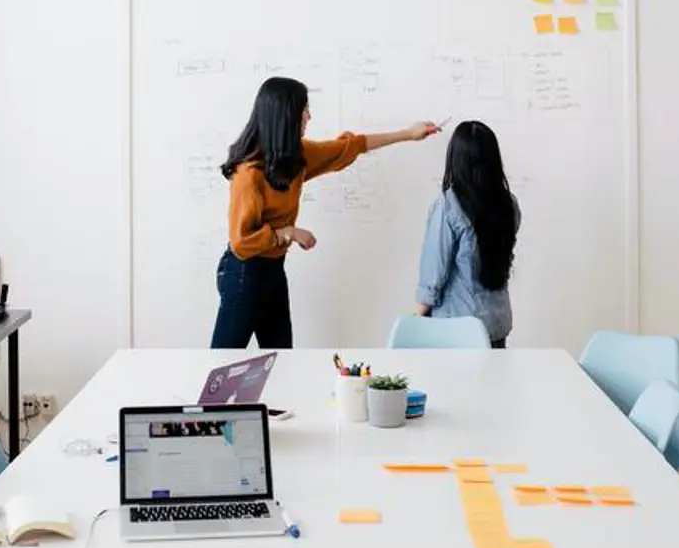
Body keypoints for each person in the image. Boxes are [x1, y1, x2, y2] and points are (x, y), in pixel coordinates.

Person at [211, 76, 439, 349]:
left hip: (273, 270)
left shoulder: (294, 157)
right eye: (303, 109)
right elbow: (241, 242)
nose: (309, 115)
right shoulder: (249, 174)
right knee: (225, 364)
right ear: (285, 116)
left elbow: (350, 146)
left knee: (281, 361)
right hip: (243, 273)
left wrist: (408, 134)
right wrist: (288, 233)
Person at [414, 120, 520, 348]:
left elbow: (433, 276)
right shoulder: (508, 205)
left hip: (456, 330)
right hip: (496, 326)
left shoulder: (448, 206)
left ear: (456, 159)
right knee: (491, 384)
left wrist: (415, 322)